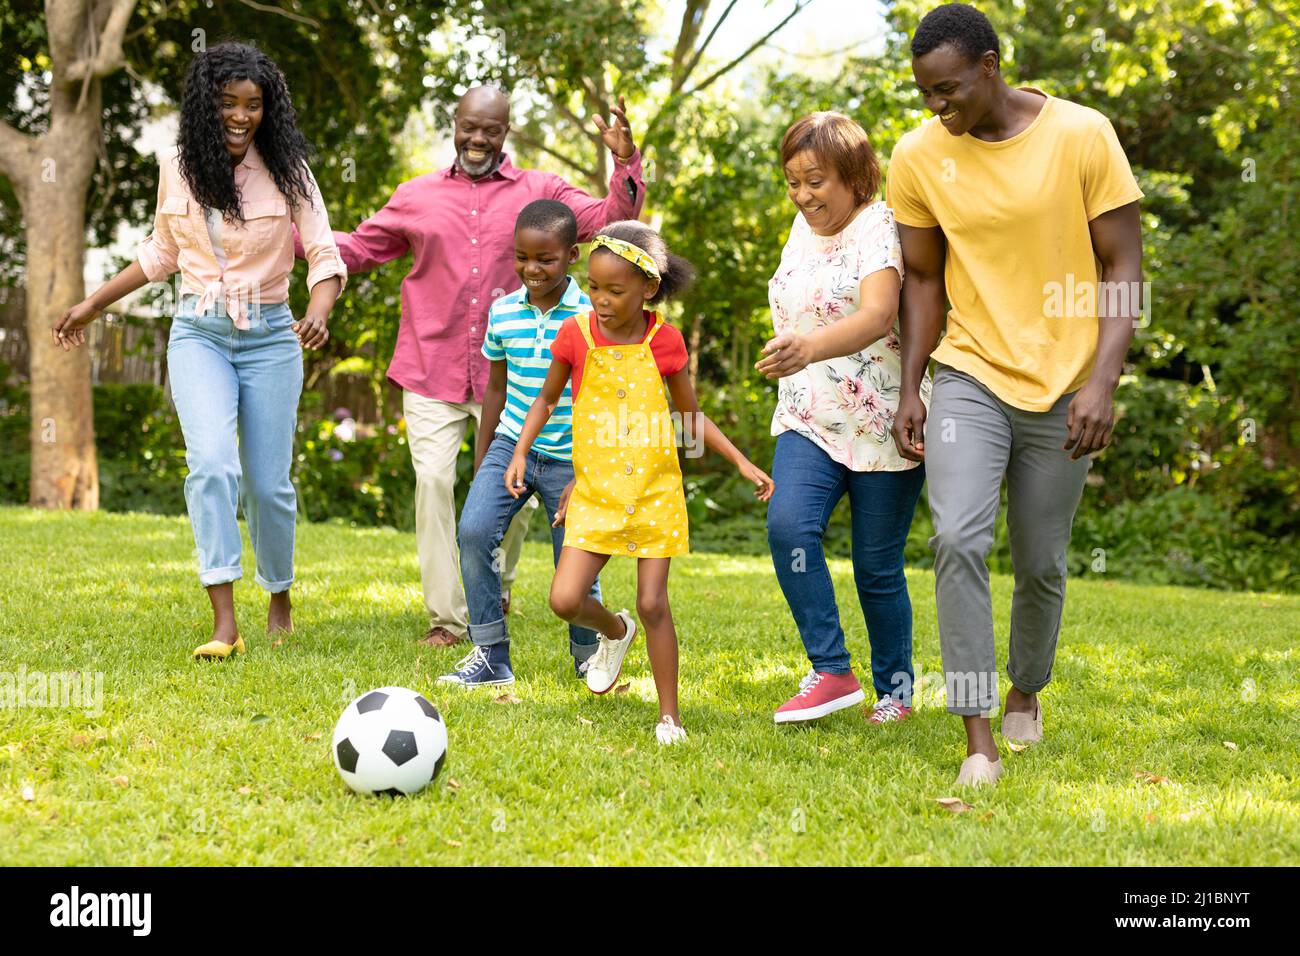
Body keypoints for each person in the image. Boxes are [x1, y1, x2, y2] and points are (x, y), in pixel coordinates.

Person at [887, 4, 1143, 786]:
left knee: (1041, 559)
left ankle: (1026, 686)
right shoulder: (919, 157)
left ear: (991, 67)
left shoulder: (1081, 134)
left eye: (951, 88)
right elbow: (925, 280)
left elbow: (1124, 266)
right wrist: (911, 387)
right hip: (970, 374)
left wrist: (1103, 379)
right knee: (958, 539)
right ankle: (977, 740)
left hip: (1067, 383)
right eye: (926, 92)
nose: (939, 106)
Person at [305, 85, 648, 648]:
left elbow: (611, 220)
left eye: (491, 129)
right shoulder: (416, 196)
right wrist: (285, 235)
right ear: (455, 125)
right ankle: (449, 618)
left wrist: (624, 161)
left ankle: (497, 584)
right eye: (470, 126)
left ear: (506, 131)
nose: (478, 138)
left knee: (511, 489)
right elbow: (359, 248)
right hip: (430, 366)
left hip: (517, 375)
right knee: (435, 482)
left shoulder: (542, 192)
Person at [53, 42, 346, 658]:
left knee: (268, 486)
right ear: (206, 105)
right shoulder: (177, 165)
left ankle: (279, 596)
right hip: (199, 334)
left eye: (253, 105)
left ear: (268, 110)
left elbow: (324, 254)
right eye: (228, 103)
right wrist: (93, 303)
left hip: (270, 336)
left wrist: (318, 310)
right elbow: (161, 253)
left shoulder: (288, 168)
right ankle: (223, 622)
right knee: (211, 465)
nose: (241, 116)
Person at [506, 221, 774, 744]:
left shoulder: (664, 342)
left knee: (654, 603)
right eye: (594, 287)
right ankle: (614, 630)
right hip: (596, 493)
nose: (600, 300)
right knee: (564, 599)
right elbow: (545, 399)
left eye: (614, 290)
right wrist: (519, 451)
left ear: (648, 288)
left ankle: (669, 714)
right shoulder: (575, 335)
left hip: (654, 492)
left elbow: (691, 417)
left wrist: (742, 463)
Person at [757, 112, 928, 727]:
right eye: (793, 182)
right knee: (788, 527)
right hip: (809, 413)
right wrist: (791, 352)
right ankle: (831, 671)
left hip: (885, 417)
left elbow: (881, 313)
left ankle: (897, 693)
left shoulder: (879, 225)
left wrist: (808, 345)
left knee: (877, 567)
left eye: (816, 182)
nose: (803, 196)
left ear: (855, 177)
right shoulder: (800, 231)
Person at [439, 200, 603, 686]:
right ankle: (490, 655)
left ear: (572, 255)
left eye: (545, 260)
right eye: (522, 258)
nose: (532, 269)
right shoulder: (504, 312)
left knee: (574, 561)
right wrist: (485, 454)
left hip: (572, 458)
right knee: (473, 531)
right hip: (511, 445)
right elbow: (494, 388)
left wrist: (588, 468)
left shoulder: (594, 315)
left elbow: (602, 395)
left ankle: (589, 658)